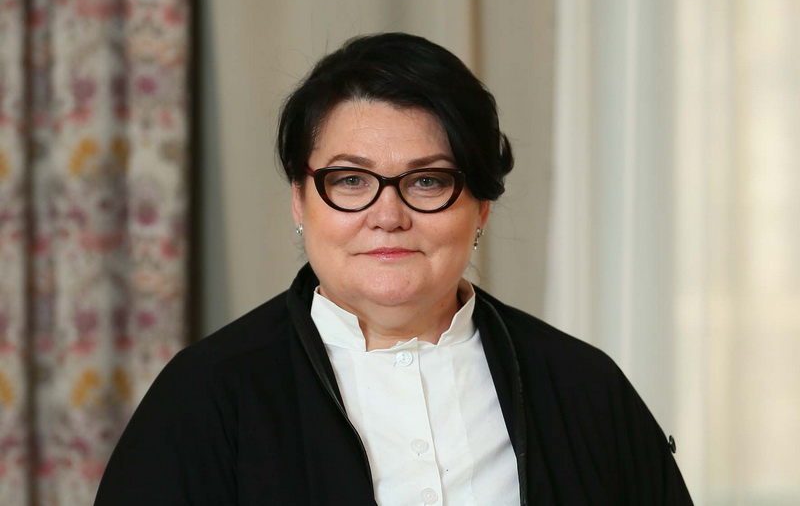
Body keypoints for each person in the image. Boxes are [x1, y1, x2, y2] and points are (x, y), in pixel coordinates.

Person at [95, 33, 692, 505]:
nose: (388, 215)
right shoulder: (204, 396)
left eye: (427, 181)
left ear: (481, 206)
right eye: (350, 181)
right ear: (300, 201)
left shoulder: (583, 388)